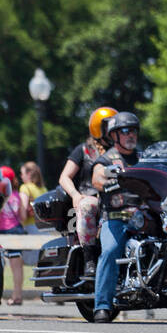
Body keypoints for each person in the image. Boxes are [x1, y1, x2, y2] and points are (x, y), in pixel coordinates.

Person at [90, 112, 143, 323]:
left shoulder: (143, 158)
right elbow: (97, 178)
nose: (131, 135)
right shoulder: (106, 159)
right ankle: (102, 305)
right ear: (114, 135)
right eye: (125, 131)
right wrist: (107, 182)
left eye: (133, 130)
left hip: (145, 216)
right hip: (117, 218)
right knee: (111, 251)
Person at [58, 107, 115, 276]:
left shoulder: (122, 151)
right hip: (93, 197)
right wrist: (76, 195)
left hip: (119, 198)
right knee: (88, 206)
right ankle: (89, 259)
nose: (115, 130)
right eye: (110, 126)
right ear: (99, 128)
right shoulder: (84, 150)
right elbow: (64, 177)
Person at [0, 165, 28, 306]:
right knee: (17, 267)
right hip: (16, 230)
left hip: (2, 231)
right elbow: (23, 216)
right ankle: (17, 296)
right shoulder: (17, 195)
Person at [18, 161, 47, 229]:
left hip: (30, 227)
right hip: (44, 227)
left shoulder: (24, 187)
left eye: (22, 173)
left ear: (29, 174)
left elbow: (23, 214)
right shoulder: (44, 189)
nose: (21, 176)